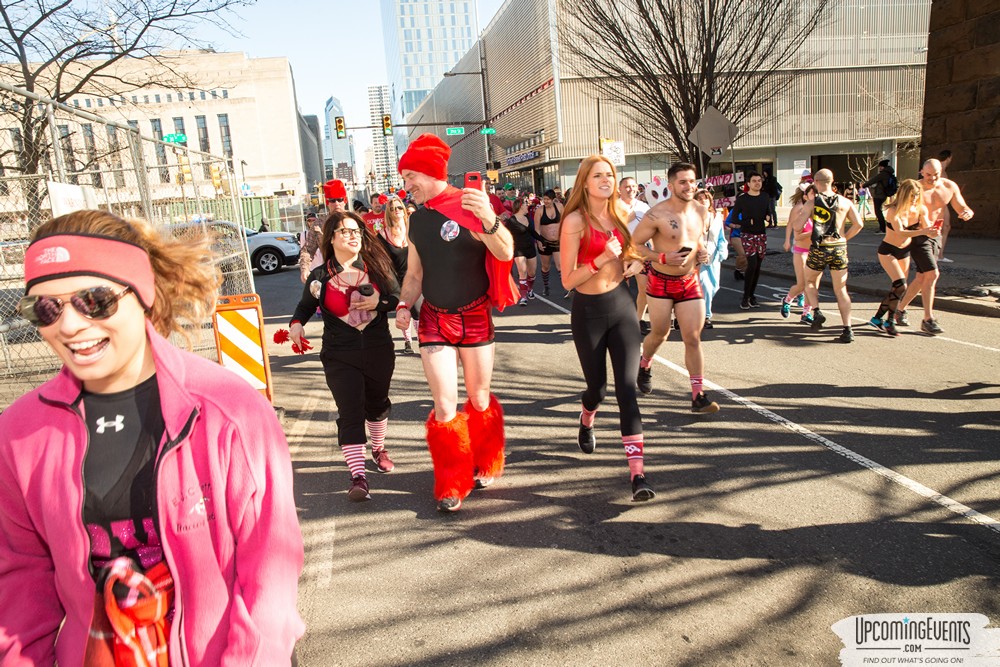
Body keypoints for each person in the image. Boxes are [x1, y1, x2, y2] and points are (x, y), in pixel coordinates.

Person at [0, 210, 304, 665]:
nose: (68, 325)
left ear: (141, 294)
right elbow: (20, 587)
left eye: (94, 300)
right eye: (45, 308)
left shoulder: (228, 411)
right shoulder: (18, 435)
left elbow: (269, 575)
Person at [394, 134, 517, 513]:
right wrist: (404, 303)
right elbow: (415, 274)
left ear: (431, 174)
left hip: (476, 317)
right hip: (434, 320)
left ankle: (487, 460)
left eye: (411, 176)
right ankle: (452, 482)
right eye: (405, 178)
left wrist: (489, 219)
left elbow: (506, 251)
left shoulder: (468, 205)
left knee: (479, 399)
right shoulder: (417, 221)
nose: (406, 185)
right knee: (444, 406)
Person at [558, 155, 653, 501]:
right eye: (598, 175)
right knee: (596, 389)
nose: (606, 180)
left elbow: (633, 253)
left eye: (610, 175)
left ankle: (638, 475)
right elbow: (568, 279)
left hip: (622, 306)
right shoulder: (574, 221)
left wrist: (631, 263)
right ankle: (586, 419)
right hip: (589, 312)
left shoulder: (622, 214)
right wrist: (600, 259)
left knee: (627, 389)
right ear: (584, 182)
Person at [289, 211, 401, 501]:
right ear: (332, 238)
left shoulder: (377, 268)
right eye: (346, 232)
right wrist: (296, 325)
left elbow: (398, 298)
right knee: (350, 412)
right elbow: (303, 307)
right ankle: (358, 477)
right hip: (340, 353)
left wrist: (380, 303)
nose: (353, 236)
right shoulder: (320, 276)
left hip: (378, 349)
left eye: (357, 232)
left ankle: (378, 449)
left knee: (377, 405)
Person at [632, 163, 720, 414]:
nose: (689, 186)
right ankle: (645, 364)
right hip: (661, 281)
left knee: (692, 337)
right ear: (671, 186)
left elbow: (698, 239)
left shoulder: (703, 211)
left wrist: (702, 252)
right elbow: (635, 245)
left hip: (690, 280)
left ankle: (697, 396)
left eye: (692, 181)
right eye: (683, 182)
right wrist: (660, 258)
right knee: (660, 333)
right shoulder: (656, 214)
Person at [895, 158, 974, 335]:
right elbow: (898, 211)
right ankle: (928, 319)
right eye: (928, 174)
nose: (932, 178)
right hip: (918, 234)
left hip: (935, 235)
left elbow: (961, 206)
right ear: (922, 172)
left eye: (936, 174)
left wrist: (967, 212)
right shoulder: (914, 188)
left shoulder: (949, 186)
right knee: (933, 274)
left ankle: (899, 310)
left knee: (923, 278)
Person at [868, 179, 938, 336]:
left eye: (917, 195)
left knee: (898, 288)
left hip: (904, 250)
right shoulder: (893, 210)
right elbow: (901, 232)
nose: (914, 199)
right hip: (888, 251)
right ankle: (890, 322)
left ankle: (877, 318)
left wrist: (933, 231)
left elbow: (927, 227)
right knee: (901, 285)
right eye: (911, 195)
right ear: (904, 195)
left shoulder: (919, 209)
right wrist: (923, 231)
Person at [802, 168, 864, 343]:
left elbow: (799, 225)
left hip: (820, 247)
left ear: (815, 182)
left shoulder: (812, 203)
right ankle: (848, 328)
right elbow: (859, 224)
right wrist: (844, 237)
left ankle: (817, 311)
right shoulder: (845, 202)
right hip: (839, 247)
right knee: (841, 289)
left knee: (810, 281)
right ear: (832, 181)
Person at [379, 194, 418, 352]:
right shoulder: (383, 234)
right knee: (404, 309)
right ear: (388, 212)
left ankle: (422, 339)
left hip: (417, 276)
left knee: (419, 311)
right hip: (398, 279)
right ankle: (408, 341)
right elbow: (380, 260)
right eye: (392, 208)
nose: (397, 210)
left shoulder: (414, 229)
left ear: (404, 209)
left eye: (399, 207)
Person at [728, 172, 771, 309]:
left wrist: (769, 217)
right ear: (748, 183)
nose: (757, 183)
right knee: (751, 264)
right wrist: (748, 222)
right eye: (754, 181)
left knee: (757, 267)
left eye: (759, 180)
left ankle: (752, 296)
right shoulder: (743, 199)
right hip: (747, 235)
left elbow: (767, 211)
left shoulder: (765, 197)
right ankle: (745, 297)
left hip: (761, 235)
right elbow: (734, 218)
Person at [780, 183, 816, 323]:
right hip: (801, 250)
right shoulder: (799, 209)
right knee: (802, 284)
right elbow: (792, 228)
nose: (816, 197)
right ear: (806, 196)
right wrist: (787, 241)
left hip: (815, 251)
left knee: (811, 285)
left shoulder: (820, 211)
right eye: (813, 194)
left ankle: (806, 313)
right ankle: (787, 299)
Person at [300, 179, 349, 281]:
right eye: (332, 200)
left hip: (353, 271)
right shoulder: (319, 224)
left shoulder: (354, 221)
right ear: (327, 202)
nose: (337, 204)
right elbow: (308, 250)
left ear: (345, 200)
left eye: (340, 199)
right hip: (331, 273)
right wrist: (305, 269)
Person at [694, 188, 728, 329]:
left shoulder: (716, 217)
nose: (703, 201)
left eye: (705, 198)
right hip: (698, 257)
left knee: (714, 286)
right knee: (704, 286)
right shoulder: (692, 217)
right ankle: (705, 316)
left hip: (714, 256)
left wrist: (722, 251)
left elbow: (721, 238)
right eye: (700, 198)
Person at [621, 176, 651, 333]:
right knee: (621, 291)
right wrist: (626, 219)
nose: (631, 189)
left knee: (644, 288)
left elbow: (652, 228)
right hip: (620, 253)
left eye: (633, 186)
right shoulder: (613, 206)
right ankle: (623, 319)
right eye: (627, 186)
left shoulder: (643, 207)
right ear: (620, 189)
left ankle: (639, 319)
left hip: (640, 252)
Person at [507, 195, 540, 306]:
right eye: (525, 204)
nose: (527, 206)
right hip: (518, 249)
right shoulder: (511, 221)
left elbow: (533, 232)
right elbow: (507, 235)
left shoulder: (528, 218)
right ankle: (523, 296)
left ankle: (530, 289)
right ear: (521, 206)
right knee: (522, 272)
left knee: (532, 273)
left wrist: (543, 241)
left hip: (530, 247)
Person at [533, 189, 565, 297]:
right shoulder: (540, 210)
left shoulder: (559, 207)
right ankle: (546, 286)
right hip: (545, 241)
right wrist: (539, 241)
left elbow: (565, 222)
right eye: (544, 199)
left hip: (557, 241)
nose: (545, 201)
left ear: (553, 199)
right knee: (545, 266)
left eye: (548, 199)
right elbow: (537, 228)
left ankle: (566, 287)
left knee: (560, 265)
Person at [863, 159, 897, 233]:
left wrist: (864, 185)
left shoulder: (883, 174)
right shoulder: (889, 173)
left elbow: (873, 180)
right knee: (879, 211)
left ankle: (883, 228)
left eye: (880, 167)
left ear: (882, 167)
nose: (879, 168)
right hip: (884, 194)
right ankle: (883, 227)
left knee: (878, 211)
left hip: (879, 195)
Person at [936, 149, 954, 263]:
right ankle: (939, 254)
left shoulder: (940, 170)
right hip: (940, 202)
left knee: (944, 227)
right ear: (949, 158)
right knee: (943, 227)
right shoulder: (941, 171)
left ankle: (939, 254)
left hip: (941, 202)